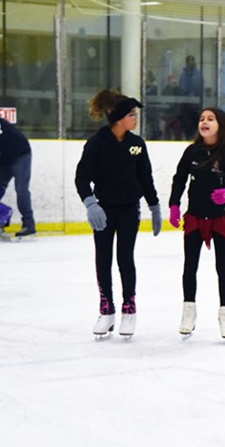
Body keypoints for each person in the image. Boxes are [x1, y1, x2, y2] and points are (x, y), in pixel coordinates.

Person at [75, 89, 161, 338]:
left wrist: (154, 207)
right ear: (119, 118)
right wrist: (91, 204)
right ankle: (106, 309)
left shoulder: (137, 144)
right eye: (132, 115)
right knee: (103, 258)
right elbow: (82, 178)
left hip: (128, 210)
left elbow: (146, 178)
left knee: (125, 257)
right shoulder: (96, 144)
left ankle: (129, 308)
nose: (135, 119)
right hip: (103, 210)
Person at [168, 107, 225, 339]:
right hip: (195, 217)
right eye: (201, 119)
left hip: (220, 219)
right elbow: (179, 180)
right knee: (189, 266)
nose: (204, 122)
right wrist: (174, 205)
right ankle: (189, 311)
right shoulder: (191, 152)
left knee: (222, 267)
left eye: (210, 119)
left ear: (221, 125)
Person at [0, 114, 36, 239]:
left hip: (20, 155)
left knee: (21, 189)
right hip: (4, 159)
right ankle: (0, 222)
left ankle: (29, 225)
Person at [177, 55, 203, 139]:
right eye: (189, 61)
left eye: (192, 61)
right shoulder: (183, 75)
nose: (191, 63)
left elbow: (201, 88)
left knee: (195, 127)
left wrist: (194, 95)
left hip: (196, 107)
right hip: (185, 107)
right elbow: (181, 89)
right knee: (187, 127)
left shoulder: (198, 75)